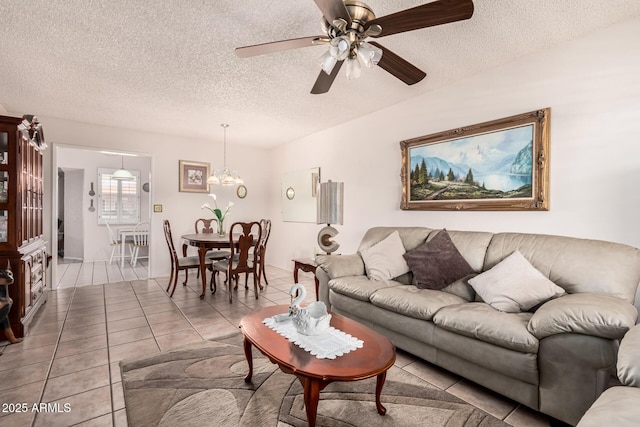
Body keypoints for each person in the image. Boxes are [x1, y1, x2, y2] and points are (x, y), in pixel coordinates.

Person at [0, 268, 22, 356]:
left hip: (4, 301)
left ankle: (12, 338)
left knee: (4, 319)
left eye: (9, 274)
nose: (9, 277)